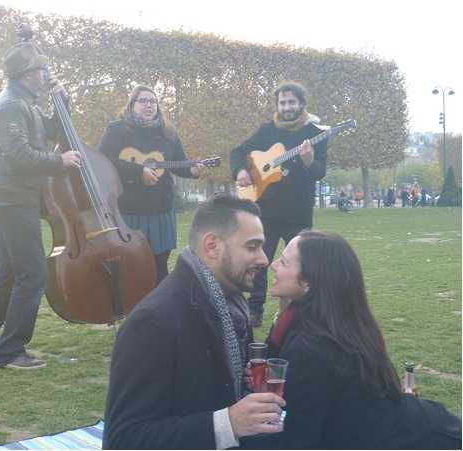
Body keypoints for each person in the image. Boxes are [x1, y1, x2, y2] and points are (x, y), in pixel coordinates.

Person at [241, 230, 462, 449]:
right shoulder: (330, 320)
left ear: (308, 282)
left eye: (284, 262)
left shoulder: (315, 347)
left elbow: (297, 438)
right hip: (412, 425)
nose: (273, 265)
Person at [103, 195, 285, 449]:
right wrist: (228, 424)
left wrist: (245, 386)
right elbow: (124, 439)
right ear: (212, 246)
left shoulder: (231, 303)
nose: (264, 259)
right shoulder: (154, 322)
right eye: (252, 246)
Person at [0, 41, 81, 369]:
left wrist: (63, 102)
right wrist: (60, 162)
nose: (45, 74)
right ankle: (11, 352)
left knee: (7, 272)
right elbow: (18, 156)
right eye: (40, 70)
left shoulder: (25, 102)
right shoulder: (10, 106)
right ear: (26, 74)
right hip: (11, 200)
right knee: (32, 274)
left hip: (9, 198)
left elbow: (51, 129)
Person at [230, 81, 327, 327]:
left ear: (301, 104)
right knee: (260, 262)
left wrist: (308, 161)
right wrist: (241, 170)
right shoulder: (267, 131)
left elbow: (319, 172)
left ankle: (304, 310)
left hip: (299, 211)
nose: (287, 107)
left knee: (303, 264)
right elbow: (238, 151)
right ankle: (255, 311)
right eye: (283, 102)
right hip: (268, 210)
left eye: (291, 102)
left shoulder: (316, 132)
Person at [99, 85, 202, 284]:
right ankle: (133, 311)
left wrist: (192, 171)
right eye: (143, 101)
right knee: (130, 265)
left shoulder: (168, 133)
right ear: (132, 104)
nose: (149, 105)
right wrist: (139, 173)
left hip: (160, 210)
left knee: (160, 266)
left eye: (153, 101)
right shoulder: (117, 129)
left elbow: (179, 163)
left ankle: (159, 310)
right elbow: (103, 159)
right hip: (129, 210)